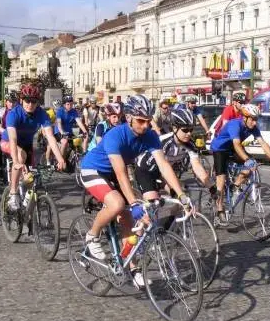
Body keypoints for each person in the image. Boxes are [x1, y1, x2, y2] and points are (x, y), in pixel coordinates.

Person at [79, 95, 192, 288]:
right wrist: (132, 202)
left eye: (148, 121)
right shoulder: (116, 135)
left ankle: (133, 268)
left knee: (130, 221)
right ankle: (92, 235)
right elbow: (121, 173)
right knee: (118, 204)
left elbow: (164, 165)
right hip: (93, 169)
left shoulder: (150, 136)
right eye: (141, 121)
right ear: (129, 117)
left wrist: (181, 195)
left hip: (114, 174)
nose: (146, 126)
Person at [210, 104, 270, 227]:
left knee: (250, 168)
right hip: (220, 149)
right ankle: (220, 209)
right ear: (245, 117)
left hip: (232, 148)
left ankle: (234, 186)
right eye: (252, 119)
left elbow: (263, 143)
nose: (255, 123)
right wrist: (247, 159)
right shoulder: (235, 124)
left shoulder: (253, 127)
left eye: (256, 120)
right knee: (221, 179)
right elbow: (237, 145)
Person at [2, 83, 66, 211]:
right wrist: (15, 161)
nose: (30, 104)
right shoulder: (14, 114)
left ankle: (28, 216)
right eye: (27, 101)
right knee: (21, 156)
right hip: (8, 142)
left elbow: (51, 137)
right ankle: (13, 193)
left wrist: (60, 159)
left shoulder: (41, 114)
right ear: (21, 100)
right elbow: (13, 139)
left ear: (37, 102)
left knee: (31, 180)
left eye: (33, 101)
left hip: (27, 145)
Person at [135, 107, 213, 201]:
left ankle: (174, 215)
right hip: (146, 171)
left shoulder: (190, 145)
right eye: (185, 130)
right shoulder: (164, 142)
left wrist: (211, 186)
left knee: (181, 201)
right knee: (153, 203)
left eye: (191, 130)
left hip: (164, 173)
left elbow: (197, 166)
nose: (188, 133)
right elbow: (163, 166)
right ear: (175, 128)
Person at [46, 95, 88, 165]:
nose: (70, 106)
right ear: (64, 105)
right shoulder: (60, 111)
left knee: (77, 143)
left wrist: (85, 131)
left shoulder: (74, 111)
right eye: (68, 104)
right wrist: (62, 132)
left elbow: (79, 122)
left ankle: (73, 159)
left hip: (69, 132)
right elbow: (59, 123)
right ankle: (60, 161)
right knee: (64, 142)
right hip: (59, 132)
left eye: (71, 104)